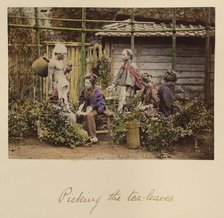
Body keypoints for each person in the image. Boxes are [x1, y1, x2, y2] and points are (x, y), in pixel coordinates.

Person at [106, 49, 143, 113]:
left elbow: (132, 81)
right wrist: (112, 85)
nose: (122, 56)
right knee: (120, 107)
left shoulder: (133, 66)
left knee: (127, 106)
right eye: (121, 55)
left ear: (129, 56)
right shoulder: (123, 65)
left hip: (129, 89)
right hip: (122, 89)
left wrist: (127, 92)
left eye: (123, 55)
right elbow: (118, 76)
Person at [48, 44, 75, 123]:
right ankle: (61, 121)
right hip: (57, 86)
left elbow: (62, 73)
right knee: (59, 104)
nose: (64, 56)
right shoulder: (52, 62)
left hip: (63, 84)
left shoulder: (61, 62)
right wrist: (50, 89)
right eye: (63, 54)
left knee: (65, 103)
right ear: (58, 53)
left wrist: (67, 69)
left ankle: (68, 120)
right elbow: (50, 77)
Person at [77, 74, 106, 143]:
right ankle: (85, 134)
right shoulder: (85, 91)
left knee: (89, 115)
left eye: (88, 83)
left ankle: (93, 136)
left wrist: (85, 113)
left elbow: (93, 105)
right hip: (88, 107)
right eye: (85, 83)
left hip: (97, 107)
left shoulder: (97, 91)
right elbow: (82, 101)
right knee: (78, 114)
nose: (86, 84)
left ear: (92, 84)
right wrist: (79, 111)